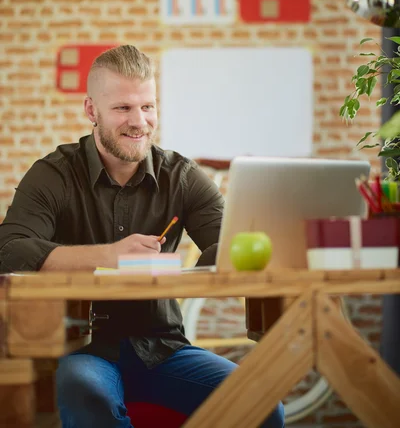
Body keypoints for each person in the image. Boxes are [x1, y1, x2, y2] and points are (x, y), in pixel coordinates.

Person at [0, 45, 284, 428]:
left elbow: (226, 242)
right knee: (87, 393)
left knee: (265, 405)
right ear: (91, 111)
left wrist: (227, 254)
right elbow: (10, 249)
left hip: (165, 349)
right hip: (84, 350)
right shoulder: (53, 174)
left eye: (147, 107)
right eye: (122, 108)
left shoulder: (182, 176)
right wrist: (108, 256)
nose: (139, 122)